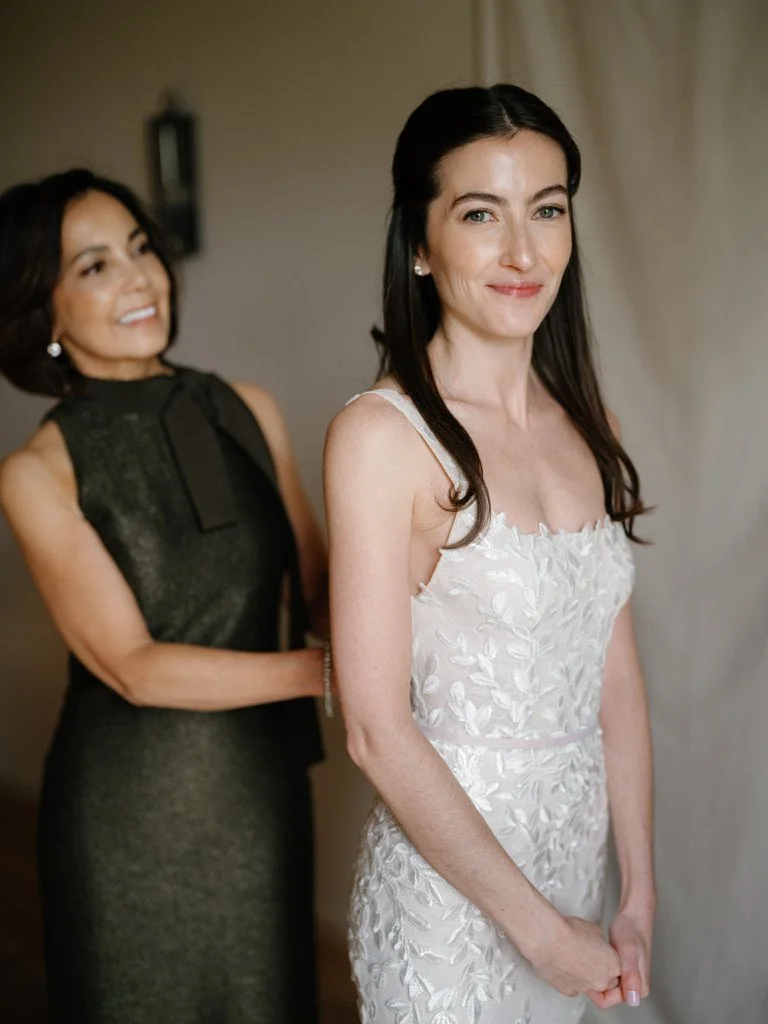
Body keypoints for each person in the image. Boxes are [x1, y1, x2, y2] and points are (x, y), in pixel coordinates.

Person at [324, 84, 655, 1023]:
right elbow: (375, 729)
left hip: (577, 880)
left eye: (548, 210)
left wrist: (636, 895)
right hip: (450, 904)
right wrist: (540, 934)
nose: (525, 252)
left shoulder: (593, 429)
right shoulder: (383, 438)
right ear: (420, 245)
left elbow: (616, 681)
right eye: (482, 214)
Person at [0, 168, 327, 1024]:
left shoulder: (248, 407)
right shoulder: (39, 472)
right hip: (128, 816)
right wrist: (331, 675)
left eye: (141, 249)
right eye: (96, 266)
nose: (140, 278)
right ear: (45, 311)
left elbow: (322, 586)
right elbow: (136, 669)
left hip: (259, 794)